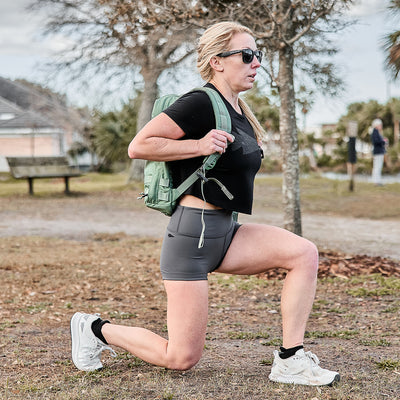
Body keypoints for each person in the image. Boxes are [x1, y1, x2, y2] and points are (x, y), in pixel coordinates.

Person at [70, 21, 340, 387]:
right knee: (181, 358)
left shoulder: (239, 110)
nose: (256, 62)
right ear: (217, 61)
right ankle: (94, 329)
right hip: (191, 238)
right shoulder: (199, 102)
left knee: (303, 254)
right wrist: (197, 146)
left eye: (258, 55)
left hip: (227, 233)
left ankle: (291, 360)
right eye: (247, 55)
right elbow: (140, 146)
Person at [370, 118, 386, 185]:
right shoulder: (375, 132)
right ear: (377, 125)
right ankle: (376, 182)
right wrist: (383, 141)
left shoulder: (376, 132)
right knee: (377, 167)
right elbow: (375, 142)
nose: (381, 126)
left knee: (378, 167)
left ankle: (377, 181)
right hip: (378, 152)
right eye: (380, 125)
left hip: (379, 152)